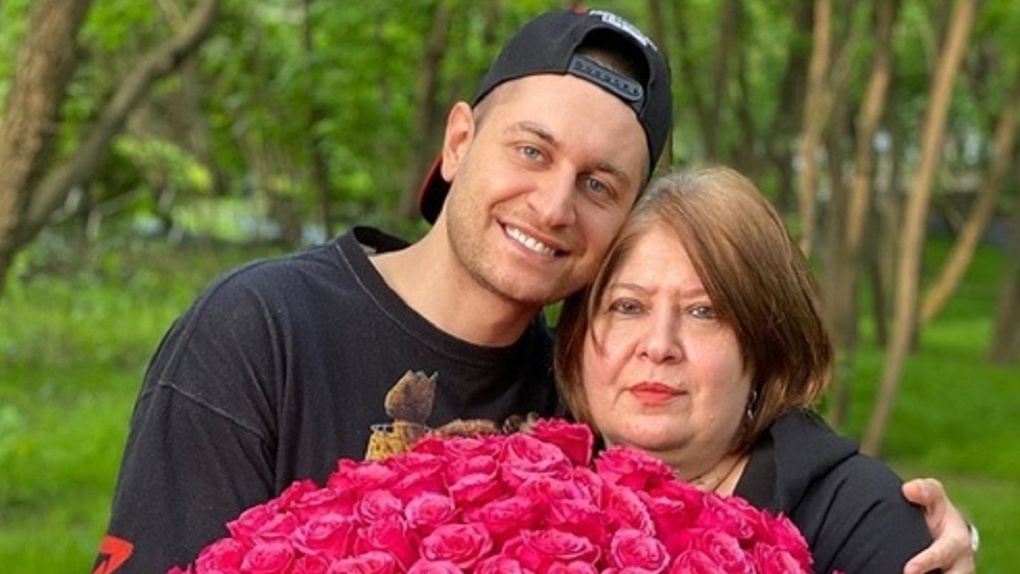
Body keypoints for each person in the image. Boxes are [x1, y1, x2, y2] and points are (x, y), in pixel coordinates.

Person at [93, 8, 973, 574]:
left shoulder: (593, 394)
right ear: (458, 142)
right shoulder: (264, 330)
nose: (553, 205)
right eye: (531, 150)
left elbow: (750, 459)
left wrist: (899, 531)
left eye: (599, 184)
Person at [553, 166, 966, 573]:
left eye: (703, 312)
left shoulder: (859, 519)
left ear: (765, 346)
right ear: (578, 336)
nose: (659, 346)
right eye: (628, 307)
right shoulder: (535, 464)